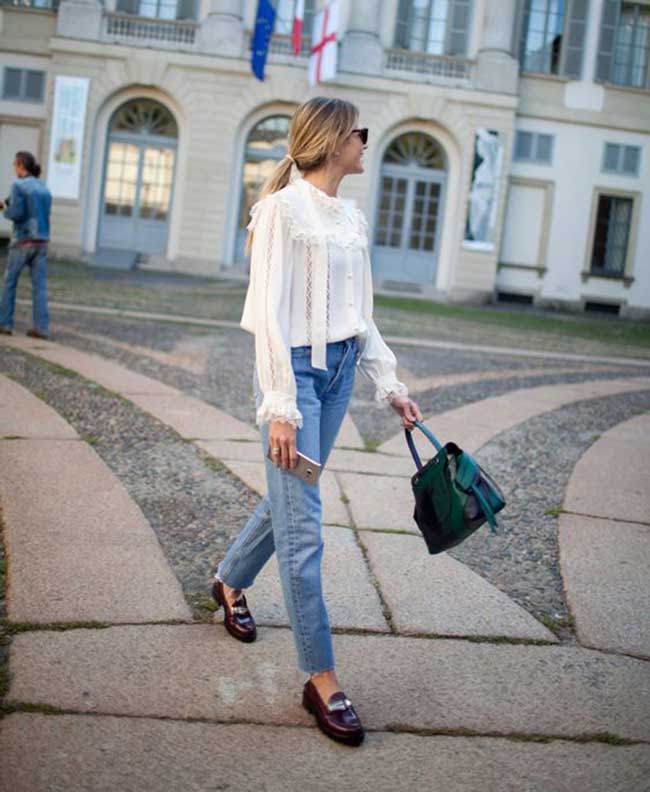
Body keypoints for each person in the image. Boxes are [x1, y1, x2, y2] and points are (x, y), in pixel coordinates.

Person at [211, 97, 423, 747]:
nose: (366, 140)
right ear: (333, 141)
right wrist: (279, 403)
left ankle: (227, 580)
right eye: (359, 131)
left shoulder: (352, 217)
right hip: (294, 374)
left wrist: (388, 382)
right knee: (305, 530)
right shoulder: (280, 211)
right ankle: (321, 678)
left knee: (289, 503)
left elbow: (361, 312)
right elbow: (270, 316)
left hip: (337, 377)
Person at [0, 151, 52, 339]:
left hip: (23, 240)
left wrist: (4, 209)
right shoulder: (44, 188)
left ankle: (4, 323)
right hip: (42, 241)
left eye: (15, 164)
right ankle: (42, 328)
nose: (14, 168)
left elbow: (16, 214)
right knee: (39, 286)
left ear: (21, 165)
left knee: (10, 283)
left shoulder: (18, 185)